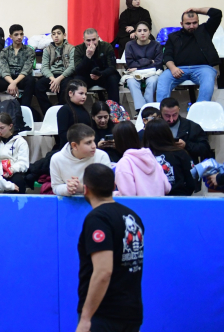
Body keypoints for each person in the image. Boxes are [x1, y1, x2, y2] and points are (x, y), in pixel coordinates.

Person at [77, 164, 144, 332]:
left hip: (105, 314)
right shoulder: (132, 216)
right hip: (131, 313)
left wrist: (86, 318)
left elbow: (103, 271)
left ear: (86, 189)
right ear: (114, 186)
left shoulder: (98, 219)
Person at [156, 7, 222, 102]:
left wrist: (196, 10)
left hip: (203, 69)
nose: (191, 26)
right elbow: (167, 55)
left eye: (194, 23)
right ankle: (163, 109)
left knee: (208, 78)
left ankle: (200, 109)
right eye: (188, 23)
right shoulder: (173, 37)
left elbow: (217, 13)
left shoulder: (205, 31)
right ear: (181, 24)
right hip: (178, 69)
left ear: (198, 22)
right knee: (163, 79)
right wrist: (173, 68)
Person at [0, 24, 38, 117]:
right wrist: (12, 82)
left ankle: (24, 110)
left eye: (21, 34)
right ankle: (1, 110)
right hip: (8, 78)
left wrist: (14, 83)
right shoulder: (4, 51)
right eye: (16, 34)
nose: (19, 37)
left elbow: (26, 70)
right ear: (10, 36)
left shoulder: (29, 51)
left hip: (22, 78)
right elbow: (4, 70)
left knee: (31, 80)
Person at [50, 123, 111, 196]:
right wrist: (68, 188)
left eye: (93, 141)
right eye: (88, 142)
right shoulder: (57, 159)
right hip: (70, 201)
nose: (94, 146)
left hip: (97, 200)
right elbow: (56, 186)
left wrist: (83, 189)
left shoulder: (102, 156)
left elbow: (108, 187)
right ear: (74, 146)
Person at [113, 121, 171, 197]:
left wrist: (113, 194)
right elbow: (167, 187)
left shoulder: (124, 163)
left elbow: (127, 196)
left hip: (138, 205)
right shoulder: (151, 157)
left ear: (118, 141)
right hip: (159, 204)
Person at [143, 118, 197, 196]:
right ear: (168, 134)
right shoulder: (180, 154)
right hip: (179, 199)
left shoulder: (141, 156)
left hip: (150, 200)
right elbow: (191, 182)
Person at [74, 28, 121, 103]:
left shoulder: (107, 46)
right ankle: (76, 108)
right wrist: (88, 56)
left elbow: (112, 67)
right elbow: (78, 70)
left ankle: (114, 107)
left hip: (104, 75)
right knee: (76, 81)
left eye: (94, 40)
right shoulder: (78, 49)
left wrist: (100, 74)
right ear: (84, 40)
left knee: (113, 79)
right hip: (87, 76)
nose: (91, 43)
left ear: (98, 38)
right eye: (88, 40)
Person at [0, 113, 29, 193]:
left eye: (2, 128)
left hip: (13, 171)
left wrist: (12, 169)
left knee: (19, 182)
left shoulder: (20, 141)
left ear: (10, 126)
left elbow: (24, 163)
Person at [124, 21, 162, 113]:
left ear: (149, 32)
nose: (142, 33)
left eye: (145, 30)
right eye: (139, 31)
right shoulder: (129, 45)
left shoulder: (156, 45)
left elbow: (158, 63)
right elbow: (130, 63)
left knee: (152, 81)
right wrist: (149, 61)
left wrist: (138, 64)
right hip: (135, 73)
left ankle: (149, 109)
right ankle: (141, 110)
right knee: (131, 82)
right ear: (135, 33)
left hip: (153, 72)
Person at [36, 25, 75, 114]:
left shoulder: (71, 48)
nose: (56, 36)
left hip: (65, 75)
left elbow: (72, 66)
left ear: (64, 35)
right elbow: (44, 67)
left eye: (58, 33)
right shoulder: (47, 50)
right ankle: (49, 112)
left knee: (66, 86)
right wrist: (53, 79)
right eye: (53, 34)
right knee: (38, 86)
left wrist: (59, 79)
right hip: (52, 76)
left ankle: (61, 112)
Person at [159, 97, 211, 163]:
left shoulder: (192, 127)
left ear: (179, 110)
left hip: (186, 164)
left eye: (174, 115)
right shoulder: (153, 128)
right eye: (167, 115)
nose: (171, 119)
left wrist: (186, 145)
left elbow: (205, 149)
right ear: (160, 112)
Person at [56, 80, 93, 150]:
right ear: (70, 93)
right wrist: (79, 143)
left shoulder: (84, 110)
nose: (84, 97)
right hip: (70, 148)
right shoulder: (64, 110)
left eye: (85, 94)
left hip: (84, 147)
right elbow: (63, 134)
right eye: (81, 93)